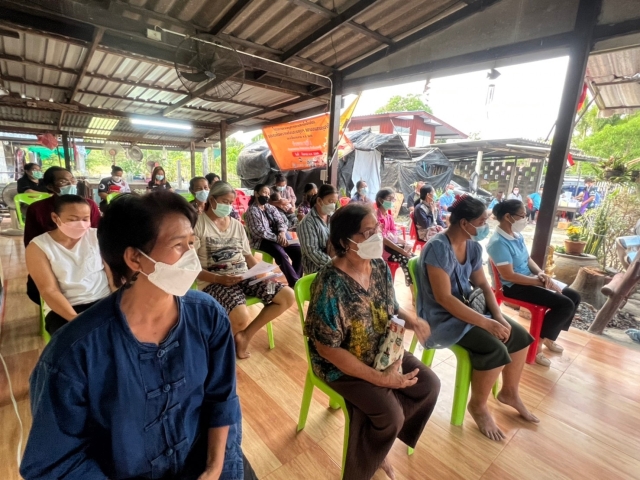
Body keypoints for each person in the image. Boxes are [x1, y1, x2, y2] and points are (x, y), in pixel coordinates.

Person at [20, 190, 257, 480]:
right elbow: (56, 464)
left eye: (191, 243)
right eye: (178, 245)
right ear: (135, 258)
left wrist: (214, 468)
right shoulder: (74, 352)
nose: (191, 257)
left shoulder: (207, 315)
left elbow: (222, 398)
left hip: (205, 458)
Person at [305, 202, 440, 480]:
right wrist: (381, 380)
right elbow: (327, 349)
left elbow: (390, 306)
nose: (377, 237)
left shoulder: (378, 266)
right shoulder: (330, 283)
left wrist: (412, 321)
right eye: (368, 233)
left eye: (377, 229)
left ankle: (378, 441)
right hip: (340, 364)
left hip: (382, 348)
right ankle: (376, 447)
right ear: (346, 242)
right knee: (391, 415)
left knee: (429, 384)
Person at [416, 194, 539, 441]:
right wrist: (485, 322)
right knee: (495, 348)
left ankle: (509, 392)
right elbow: (444, 298)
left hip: (468, 307)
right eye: (482, 221)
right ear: (464, 223)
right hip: (441, 318)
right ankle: (478, 406)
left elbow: (483, 285)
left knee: (519, 336)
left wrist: (498, 317)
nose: (486, 226)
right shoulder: (438, 248)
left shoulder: (472, 246)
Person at [195, 182, 294, 359]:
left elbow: (248, 256)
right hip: (214, 281)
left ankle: (245, 337)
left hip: (244, 276)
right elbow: (192, 268)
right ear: (212, 199)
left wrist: (262, 273)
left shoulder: (236, 225)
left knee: (287, 296)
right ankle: (216, 349)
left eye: (230, 203)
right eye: (224, 201)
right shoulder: (198, 225)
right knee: (241, 316)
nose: (228, 206)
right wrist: (218, 279)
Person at [487, 200, 580, 367]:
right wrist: (539, 282)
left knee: (574, 296)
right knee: (564, 304)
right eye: (523, 215)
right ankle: (536, 347)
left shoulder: (517, 236)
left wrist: (541, 274)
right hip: (513, 286)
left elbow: (528, 259)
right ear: (508, 217)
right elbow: (509, 275)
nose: (526, 219)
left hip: (529, 279)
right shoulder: (498, 243)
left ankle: (549, 337)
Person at [25, 195, 112, 335]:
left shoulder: (97, 236)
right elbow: (49, 290)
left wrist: (120, 302)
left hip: (104, 300)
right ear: (55, 218)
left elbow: (112, 276)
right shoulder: (38, 247)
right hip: (65, 308)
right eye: (73, 219)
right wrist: (74, 319)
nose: (81, 224)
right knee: (80, 342)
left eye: (85, 219)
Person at [24, 167, 101, 305]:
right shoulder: (38, 209)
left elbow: (97, 235)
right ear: (50, 186)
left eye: (73, 180)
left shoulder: (89, 205)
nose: (71, 184)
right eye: (63, 182)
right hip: (55, 265)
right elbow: (31, 243)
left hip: (87, 267)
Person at [245, 184, 302, 287]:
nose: (267, 196)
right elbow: (259, 232)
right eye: (264, 193)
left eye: (268, 194)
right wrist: (278, 239)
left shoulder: (270, 207)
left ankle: (296, 281)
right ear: (256, 193)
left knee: (299, 251)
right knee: (280, 253)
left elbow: (281, 221)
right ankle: (295, 283)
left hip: (280, 236)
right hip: (262, 240)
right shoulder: (252, 211)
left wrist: (282, 233)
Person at [375, 188, 414, 287]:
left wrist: (405, 243)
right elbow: (383, 239)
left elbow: (394, 235)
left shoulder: (389, 217)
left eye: (393, 199)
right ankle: (413, 287)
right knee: (406, 259)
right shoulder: (376, 217)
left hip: (392, 247)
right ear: (380, 200)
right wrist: (402, 251)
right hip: (382, 250)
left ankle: (415, 286)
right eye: (389, 198)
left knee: (413, 258)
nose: (392, 201)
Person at [298, 184, 338, 274]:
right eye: (330, 201)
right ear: (319, 201)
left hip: (334, 266)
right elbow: (313, 252)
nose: (333, 205)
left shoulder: (333, 218)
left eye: (335, 202)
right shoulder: (307, 223)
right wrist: (335, 264)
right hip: (317, 272)